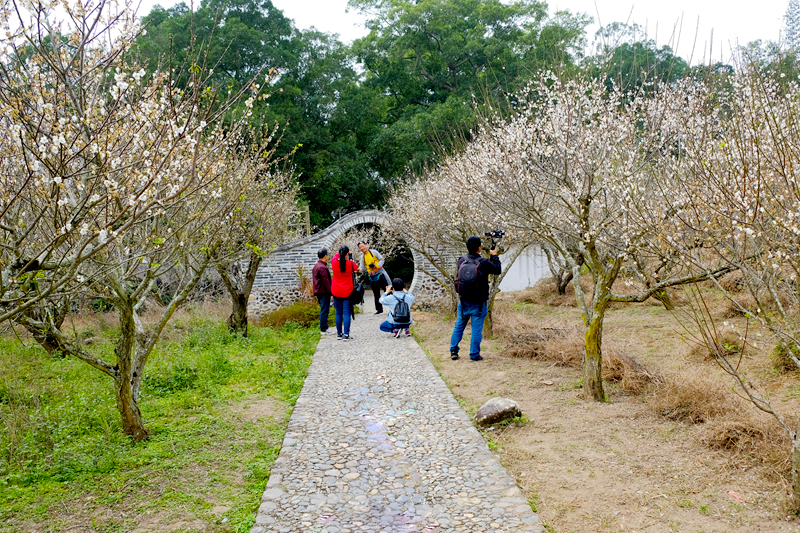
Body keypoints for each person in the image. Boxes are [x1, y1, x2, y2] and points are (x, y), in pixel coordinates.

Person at [450, 236, 501, 361]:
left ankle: (454, 351)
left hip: (463, 301)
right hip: (478, 302)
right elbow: (497, 270)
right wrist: (494, 256)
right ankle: (474, 355)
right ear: (480, 248)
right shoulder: (483, 262)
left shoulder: (461, 261)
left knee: (459, 326)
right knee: (476, 329)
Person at [331, 245, 360, 341]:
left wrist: (341, 254)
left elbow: (335, 257)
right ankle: (346, 334)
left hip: (336, 291)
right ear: (347, 254)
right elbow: (357, 269)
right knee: (347, 313)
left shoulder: (334, 262)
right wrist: (350, 259)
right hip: (347, 292)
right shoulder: (350, 264)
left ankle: (339, 334)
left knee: (338, 313)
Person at [358, 241, 392, 314]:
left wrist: (377, 266)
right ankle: (379, 309)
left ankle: (394, 306)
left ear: (366, 245)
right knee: (376, 293)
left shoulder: (374, 252)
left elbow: (382, 259)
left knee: (388, 290)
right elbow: (362, 268)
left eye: (363, 246)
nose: (362, 248)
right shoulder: (363, 257)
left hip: (380, 273)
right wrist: (357, 270)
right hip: (372, 276)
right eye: (360, 247)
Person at [312, 248, 333, 335]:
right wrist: (331, 293)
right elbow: (326, 282)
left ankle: (324, 328)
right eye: (327, 255)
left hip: (318, 291)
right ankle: (324, 329)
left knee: (323, 309)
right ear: (325, 256)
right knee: (324, 310)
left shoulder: (316, 266)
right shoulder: (322, 267)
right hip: (323, 292)